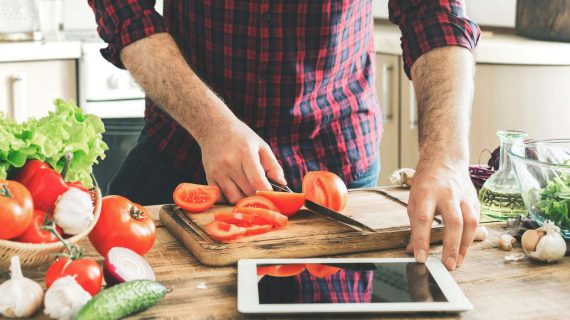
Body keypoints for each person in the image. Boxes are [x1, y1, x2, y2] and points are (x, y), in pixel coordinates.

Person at [88, 0, 481, 271]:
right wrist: (211, 125)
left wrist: (447, 155)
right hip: (181, 149)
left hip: (336, 165)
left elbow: (434, 13)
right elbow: (125, 11)